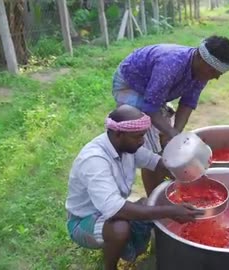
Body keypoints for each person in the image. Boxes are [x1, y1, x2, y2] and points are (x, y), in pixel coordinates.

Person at [65, 105, 203, 270]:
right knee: (119, 229)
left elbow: (156, 162)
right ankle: (110, 267)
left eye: (143, 136)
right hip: (83, 221)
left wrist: (187, 176)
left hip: (109, 209)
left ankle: (132, 249)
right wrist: (171, 211)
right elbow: (116, 209)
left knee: (148, 205)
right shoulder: (95, 160)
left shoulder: (127, 146)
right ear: (118, 134)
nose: (142, 141)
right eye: (138, 137)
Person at [112, 35, 229, 194]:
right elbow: (150, 108)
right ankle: (155, 200)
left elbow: (187, 103)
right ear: (200, 58)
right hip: (130, 85)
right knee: (152, 147)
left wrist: (174, 133)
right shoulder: (171, 64)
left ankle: (163, 185)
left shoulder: (201, 72)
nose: (216, 77)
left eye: (219, 73)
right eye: (213, 71)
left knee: (166, 141)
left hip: (153, 93)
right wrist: (172, 134)